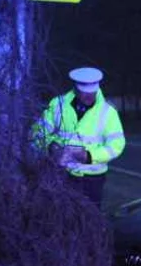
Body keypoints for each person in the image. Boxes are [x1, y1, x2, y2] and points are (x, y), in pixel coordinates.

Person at [31, 67, 126, 210]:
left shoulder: (108, 113)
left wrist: (89, 156)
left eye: (92, 93)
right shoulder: (58, 105)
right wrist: (50, 146)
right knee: (58, 216)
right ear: (75, 88)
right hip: (60, 174)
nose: (89, 96)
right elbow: (38, 132)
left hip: (91, 180)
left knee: (89, 220)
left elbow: (117, 145)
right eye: (85, 93)